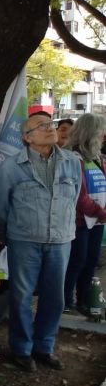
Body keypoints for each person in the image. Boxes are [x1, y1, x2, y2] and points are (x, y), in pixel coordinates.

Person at [0, 114, 81, 373]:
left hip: (60, 240)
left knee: (55, 297)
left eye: (51, 124)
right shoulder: (11, 166)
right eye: (42, 126)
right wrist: (17, 230)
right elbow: (1, 205)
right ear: (26, 137)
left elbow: (72, 198)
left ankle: (44, 347)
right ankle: (21, 349)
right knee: (21, 297)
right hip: (24, 241)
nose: (50, 129)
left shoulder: (71, 162)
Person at [63, 114, 106, 315]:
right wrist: (100, 212)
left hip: (97, 221)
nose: (102, 136)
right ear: (89, 133)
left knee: (90, 261)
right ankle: (65, 301)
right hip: (78, 221)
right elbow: (79, 196)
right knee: (76, 260)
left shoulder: (97, 158)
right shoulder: (72, 157)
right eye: (99, 132)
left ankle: (84, 300)